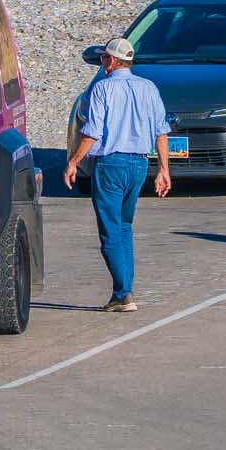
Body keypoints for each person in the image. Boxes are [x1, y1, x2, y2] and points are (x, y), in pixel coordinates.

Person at [63, 37, 172, 312]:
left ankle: (124, 293)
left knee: (110, 230)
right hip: (138, 164)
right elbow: (161, 132)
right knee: (124, 226)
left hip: (110, 164)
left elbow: (92, 131)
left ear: (111, 61)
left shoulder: (103, 88)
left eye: (103, 58)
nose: (102, 63)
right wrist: (163, 169)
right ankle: (124, 290)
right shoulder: (149, 88)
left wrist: (73, 161)